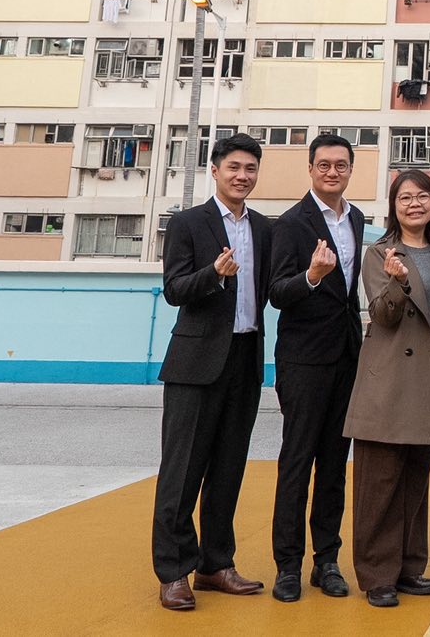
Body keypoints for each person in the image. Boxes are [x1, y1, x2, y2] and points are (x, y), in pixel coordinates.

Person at [151, 133, 274, 612]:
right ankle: (173, 571)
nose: (243, 176)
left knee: (228, 469)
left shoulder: (265, 228)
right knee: (181, 473)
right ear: (216, 170)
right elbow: (174, 289)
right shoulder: (187, 223)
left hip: (245, 358)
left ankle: (215, 564)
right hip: (195, 363)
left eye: (250, 169)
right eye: (234, 168)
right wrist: (215, 274)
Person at [343, 170, 430, 608]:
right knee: (379, 483)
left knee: (414, 481)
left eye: (422, 197)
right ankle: (376, 575)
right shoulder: (380, 252)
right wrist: (397, 280)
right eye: (405, 197)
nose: (414, 204)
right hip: (389, 382)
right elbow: (383, 316)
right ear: (394, 205)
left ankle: (409, 567)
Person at [264, 132, 366, 602]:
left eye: (340, 165)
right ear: (310, 169)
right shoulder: (290, 224)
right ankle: (288, 564)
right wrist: (311, 276)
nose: (332, 172)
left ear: (350, 169)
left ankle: (326, 560)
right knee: (297, 462)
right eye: (323, 164)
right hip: (303, 361)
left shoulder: (357, 219)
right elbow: (277, 293)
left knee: (333, 467)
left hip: (347, 358)